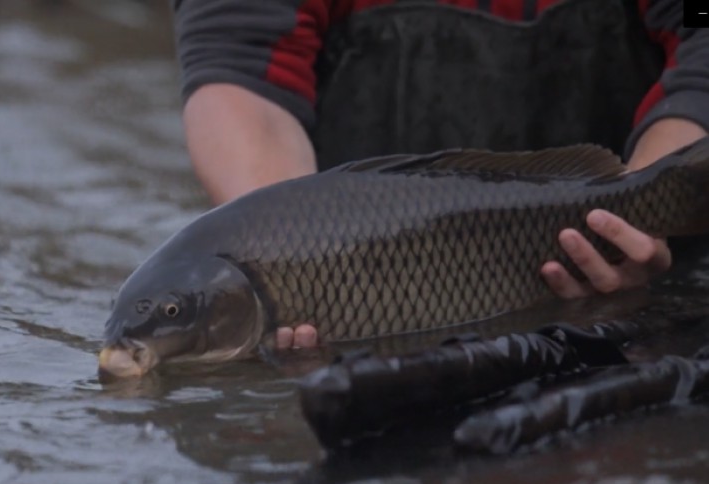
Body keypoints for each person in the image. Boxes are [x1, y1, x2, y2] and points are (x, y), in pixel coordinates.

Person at [170, 0, 709, 349]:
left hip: (647, 274)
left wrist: (646, 212)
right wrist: (289, 275)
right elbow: (238, 71)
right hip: (369, 281)